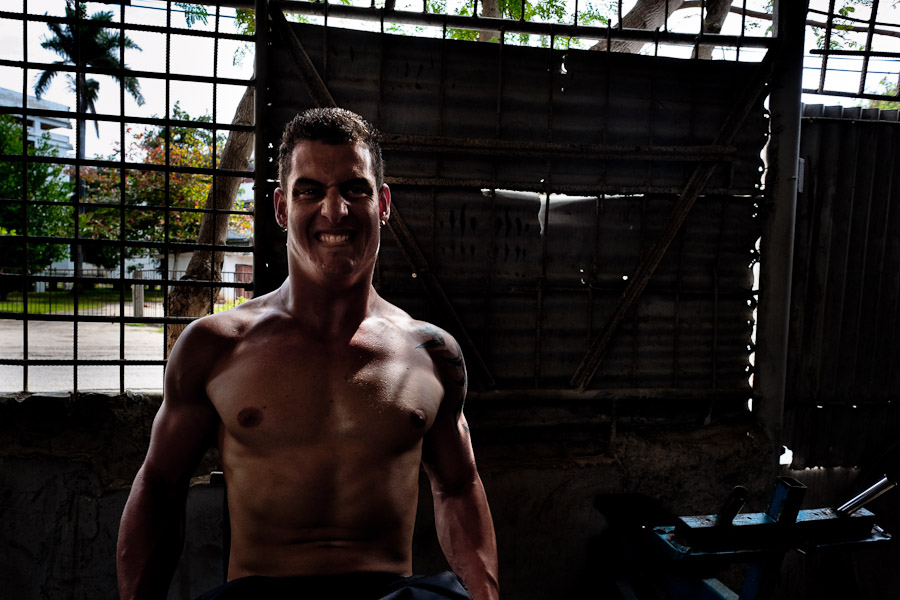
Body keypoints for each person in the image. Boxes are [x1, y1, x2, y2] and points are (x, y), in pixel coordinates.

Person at [117, 108, 499, 600]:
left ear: (382, 203)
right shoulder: (217, 346)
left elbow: (458, 486)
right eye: (310, 190)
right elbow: (160, 487)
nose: (334, 211)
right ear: (281, 208)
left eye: (354, 189)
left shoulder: (430, 351)